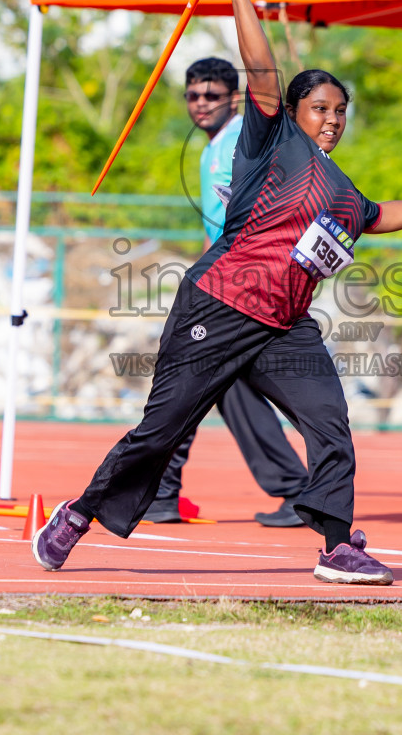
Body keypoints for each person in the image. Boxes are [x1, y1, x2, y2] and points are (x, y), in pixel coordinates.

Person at [32, 0, 402, 585]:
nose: (332, 120)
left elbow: (380, 213)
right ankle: (80, 513)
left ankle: (337, 546)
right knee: (161, 430)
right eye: (321, 108)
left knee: (331, 423)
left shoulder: (341, 189)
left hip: (284, 327)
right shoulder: (268, 138)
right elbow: (259, 66)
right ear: (295, 110)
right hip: (218, 306)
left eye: (340, 112)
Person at [144, 56, 307, 527]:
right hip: (224, 280)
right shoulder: (209, 148)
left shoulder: (243, 138)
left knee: (184, 378)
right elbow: (216, 224)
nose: (200, 104)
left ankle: (161, 491)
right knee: (227, 388)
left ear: (233, 98)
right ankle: (295, 489)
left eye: (211, 95)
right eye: (193, 95)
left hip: (246, 283)